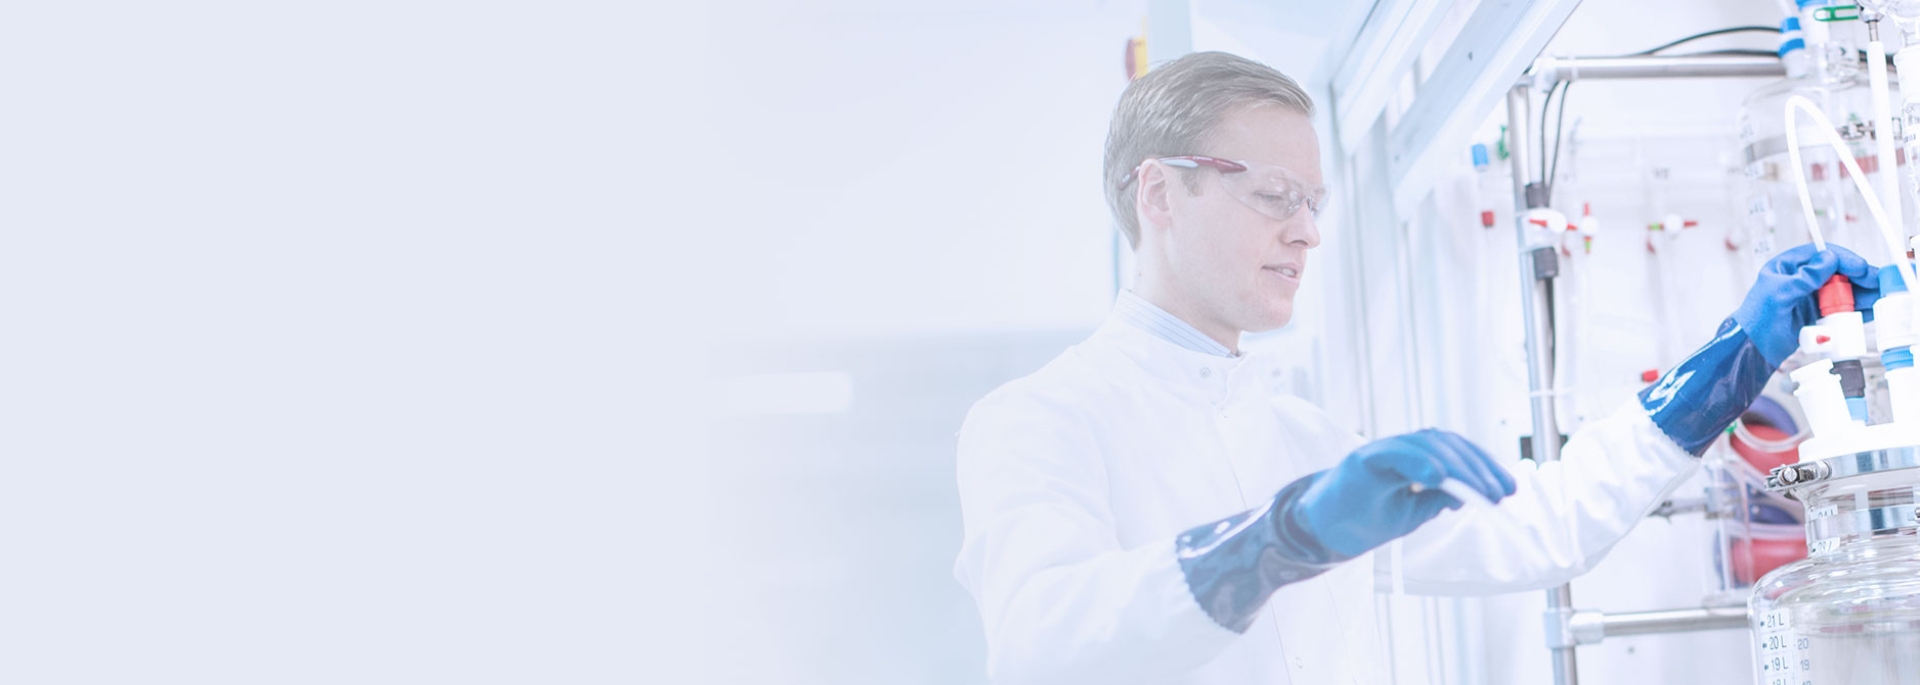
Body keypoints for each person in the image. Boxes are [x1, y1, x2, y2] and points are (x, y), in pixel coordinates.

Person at [950, 51, 1880, 685]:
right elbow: (1047, 641)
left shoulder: (1300, 437)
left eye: (1312, 201)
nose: (1307, 230)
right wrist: (1283, 537)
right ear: (1159, 191)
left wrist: (1739, 353)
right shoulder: (1039, 419)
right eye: (1274, 195)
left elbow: (1541, 527)